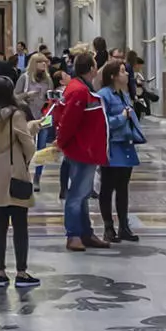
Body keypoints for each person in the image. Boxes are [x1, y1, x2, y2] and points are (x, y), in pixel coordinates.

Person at [0, 76, 39, 288]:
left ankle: (0, 272)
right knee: (20, 223)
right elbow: (27, 143)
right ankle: (21, 272)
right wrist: (27, 159)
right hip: (14, 169)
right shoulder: (15, 114)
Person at [56, 49, 110, 251]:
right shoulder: (79, 91)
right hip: (81, 149)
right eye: (95, 65)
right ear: (91, 69)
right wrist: (62, 143)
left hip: (86, 148)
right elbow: (69, 121)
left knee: (83, 193)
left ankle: (85, 233)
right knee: (77, 194)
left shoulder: (82, 88)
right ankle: (73, 235)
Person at [97, 58, 145, 242]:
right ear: (113, 75)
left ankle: (124, 226)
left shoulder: (124, 95)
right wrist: (121, 117)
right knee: (107, 187)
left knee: (123, 188)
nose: (126, 74)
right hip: (112, 146)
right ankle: (108, 227)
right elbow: (102, 122)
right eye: (123, 71)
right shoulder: (104, 95)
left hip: (126, 144)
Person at [15, 50, 53, 123]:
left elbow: (51, 99)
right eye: (40, 62)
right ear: (34, 64)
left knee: (45, 134)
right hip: (27, 116)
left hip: (44, 116)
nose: (43, 64)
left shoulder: (48, 79)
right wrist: (27, 94)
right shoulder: (24, 78)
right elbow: (15, 97)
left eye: (45, 62)